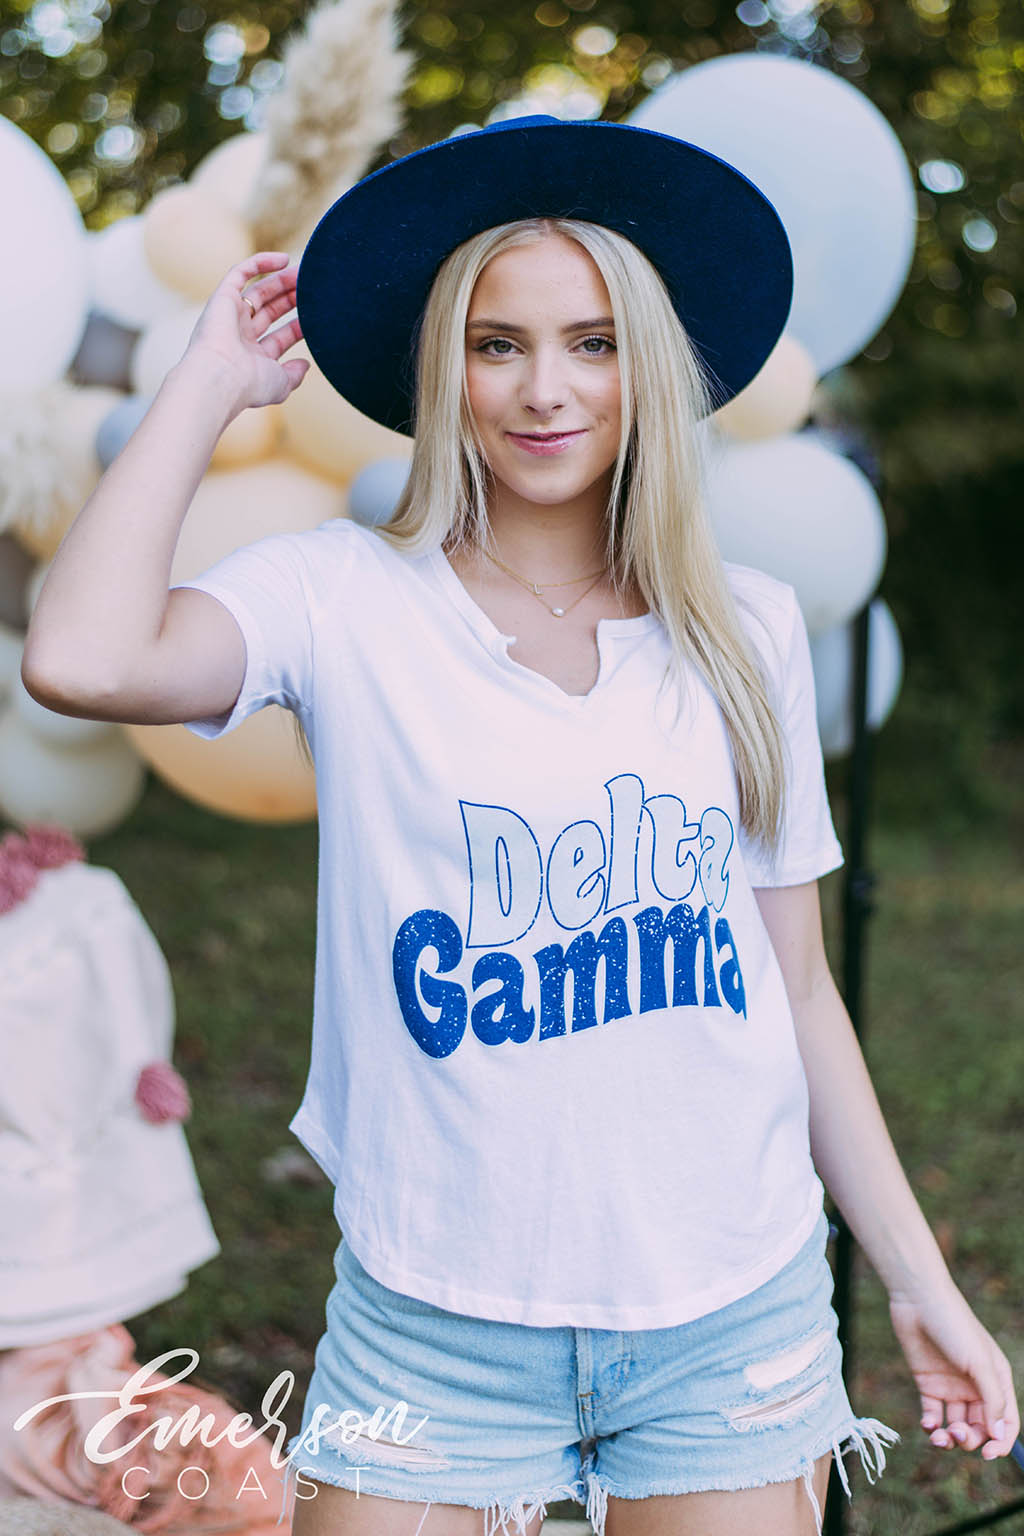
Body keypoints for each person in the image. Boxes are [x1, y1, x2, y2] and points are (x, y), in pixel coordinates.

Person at [22, 116, 1018, 1536]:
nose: (545, 388)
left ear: (647, 368)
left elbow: (796, 989)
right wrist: (207, 384)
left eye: (592, 343)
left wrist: (921, 1282)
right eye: (498, 345)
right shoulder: (342, 599)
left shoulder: (748, 629)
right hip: (433, 1327)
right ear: (447, 370)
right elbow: (81, 658)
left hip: (730, 1318)